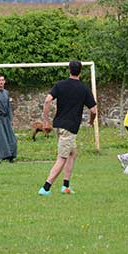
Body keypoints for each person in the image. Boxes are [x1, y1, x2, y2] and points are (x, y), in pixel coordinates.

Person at [38, 60, 97, 196]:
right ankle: (46, 188)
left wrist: (46, 120)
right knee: (62, 157)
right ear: (80, 72)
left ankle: (65, 186)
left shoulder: (60, 85)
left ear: (69, 70)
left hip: (59, 125)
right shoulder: (84, 89)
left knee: (72, 152)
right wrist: (91, 122)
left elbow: (47, 100)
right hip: (70, 128)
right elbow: (94, 110)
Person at [0, 74, 17, 163]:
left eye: (2, 80)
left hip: (6, 118)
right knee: (0, 138)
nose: (1, 82)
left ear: (4, 81)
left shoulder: (6, 93)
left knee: (11, 137)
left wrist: (11, 119)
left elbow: (8, 107)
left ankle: (11, 158)